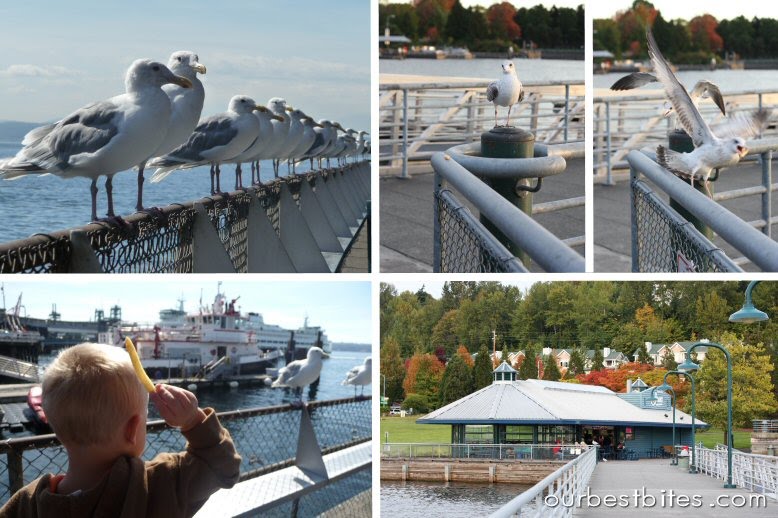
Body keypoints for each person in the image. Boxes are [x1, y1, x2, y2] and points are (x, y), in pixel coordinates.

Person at [0, 343, 242, 517]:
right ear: (133, 429)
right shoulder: (161, 483)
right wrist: (193, 421)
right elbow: (223, 468)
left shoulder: (26, 504)